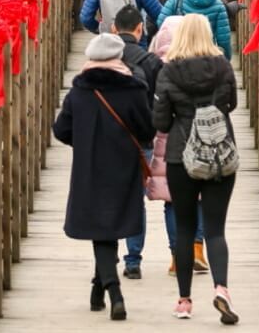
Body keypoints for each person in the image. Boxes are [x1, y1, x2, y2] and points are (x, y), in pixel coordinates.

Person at [54, 33, 155, 320]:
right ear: (119, 57)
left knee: (100, 227)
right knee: (110, 225)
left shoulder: (79, 92)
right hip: (124, 167)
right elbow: (147, 131)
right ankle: (104, 289)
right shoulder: (134, 90)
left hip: (89, 168)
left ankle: (111, 289)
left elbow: (61, 130)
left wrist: (84, 141)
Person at [153, 14, 240, 324]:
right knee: (216, 229)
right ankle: (222, 288)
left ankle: (185, 300)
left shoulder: (169, 70)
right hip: (220, 151)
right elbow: (231, 104)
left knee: (186, 228)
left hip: (180, 154)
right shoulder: (222, 66)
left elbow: (161, 120)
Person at [149, 16, 208, 278]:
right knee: (200, 196)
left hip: (170, 140)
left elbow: (159, 113)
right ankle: (197, 248)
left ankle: (176, 256)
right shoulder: (212, 65)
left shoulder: (162, 68)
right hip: (204, 137)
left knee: (172, 200)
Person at [110, 4, 164, 279]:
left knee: (111, 196)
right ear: (140, 29)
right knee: (136, 199)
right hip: (142, 136)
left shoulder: (104, 60)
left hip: (110, 137)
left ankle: (107, 256)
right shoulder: (151, 62)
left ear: (113, 29)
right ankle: (133, 259)